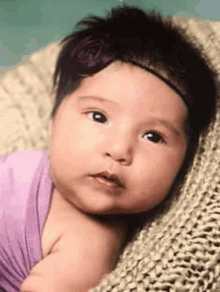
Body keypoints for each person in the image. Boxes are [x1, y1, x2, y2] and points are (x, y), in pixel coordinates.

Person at [0, 4, 217, 292]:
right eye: (99, 117)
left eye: (153, 136)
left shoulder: (89, 244)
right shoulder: (25, 161)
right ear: (53, 116)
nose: (118, 150)